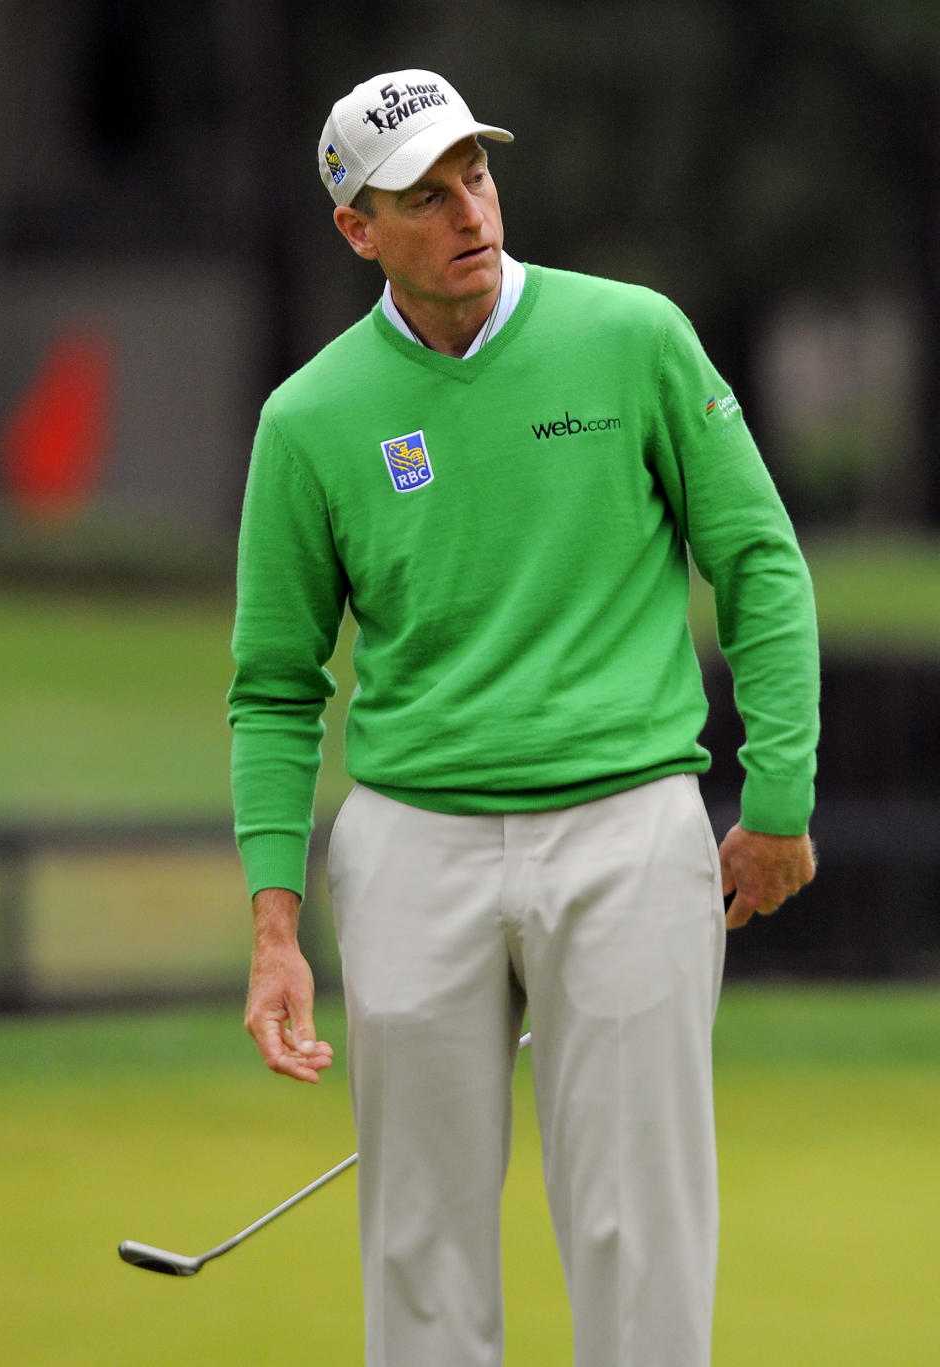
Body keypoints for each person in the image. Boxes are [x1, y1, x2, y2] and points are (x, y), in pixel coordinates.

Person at [228, 68, 819, 1367]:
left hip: (627, 832)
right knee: (421, 1252)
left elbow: (760, 560)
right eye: (423, 197)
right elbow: (274, 685)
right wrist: (278, 922)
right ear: (356, 230)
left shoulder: (633, 336)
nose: (468, 213)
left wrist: (776, 801)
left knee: (639, 1235)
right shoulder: (309, 421)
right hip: (409, 848)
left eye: (475, 176)